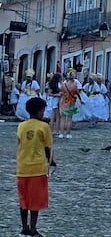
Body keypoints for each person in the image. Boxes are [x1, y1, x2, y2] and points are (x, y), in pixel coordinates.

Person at [17, 96, 54, 237]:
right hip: (37, 169)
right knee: (35, 202)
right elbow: (47, 147)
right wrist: (51, 161)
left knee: (24, 200)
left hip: (22, 168)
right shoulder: (44, 127)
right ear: (39, 111)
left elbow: (20, 143)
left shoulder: (21, 126)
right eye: (43, 111)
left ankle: (24, 227)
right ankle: (33, 229)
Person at [58, 69, 82, 138]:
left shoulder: (63, 84)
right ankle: (68, 133)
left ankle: (61, 133)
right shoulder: (75, 85)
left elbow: (61, 92)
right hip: (71, 101)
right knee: (69, 118)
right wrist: (80, 99)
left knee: (62, 118)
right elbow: (77, 93)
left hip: (63, 101)